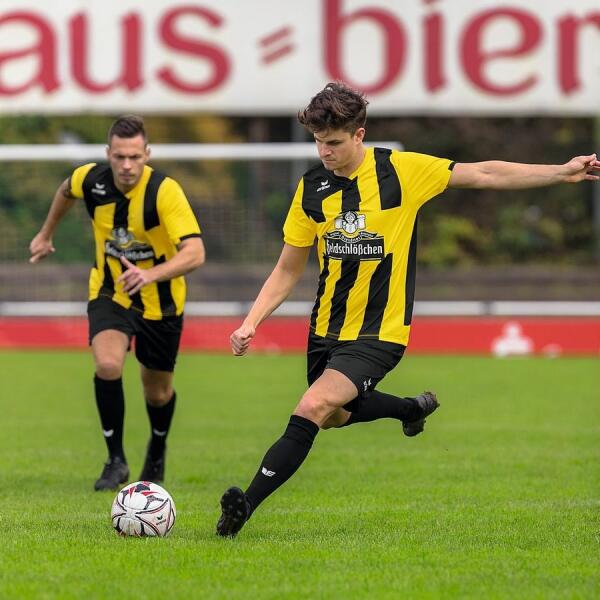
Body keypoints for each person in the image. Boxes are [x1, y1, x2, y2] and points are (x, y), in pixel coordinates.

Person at [215, 81, 600, 537]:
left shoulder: (401, 172)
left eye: (333, 142)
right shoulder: (311, 188)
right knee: (335, 415)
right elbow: (286, 268)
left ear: (359, 135)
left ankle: (241, 510)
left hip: (381, 332)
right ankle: (408, 410)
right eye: (318, 142)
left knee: (313, 405)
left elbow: (484, 173)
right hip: (326, 329)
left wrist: (560, 171)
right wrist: (252, 322)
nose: (324, 152)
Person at [29, 115, 205, 491]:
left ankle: (157, 449)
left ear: (147, 155)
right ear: (108, 153)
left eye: (135, 157)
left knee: (157, 391)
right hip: (110, 291)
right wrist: (45, 234)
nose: (127, 165)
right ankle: (115, 460)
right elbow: (66, 189)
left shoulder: (165, 192)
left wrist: (151, 275)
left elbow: (195, 252)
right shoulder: (91, 179)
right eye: (120, 156)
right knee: (108, 364)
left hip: (161, 302)